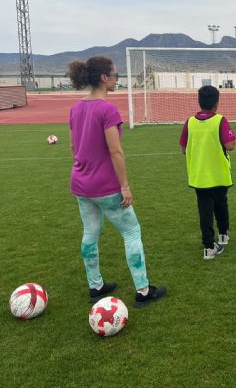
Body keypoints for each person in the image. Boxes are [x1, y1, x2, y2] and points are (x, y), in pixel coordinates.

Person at [68, 56, 166, 307]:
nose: (117, 79)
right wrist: (124, 185)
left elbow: (73, 146)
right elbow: (116, 151)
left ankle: (95, 285)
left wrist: (83, 169)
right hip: (106, 187)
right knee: (131, 232)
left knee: (90, 233)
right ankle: (143, 291)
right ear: (104, 77)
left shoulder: (76, 107)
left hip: (81, 184)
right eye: (115, 75)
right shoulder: (107, 110)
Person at [180, 85, 236, 259]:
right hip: (219, 174)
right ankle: (223, 235)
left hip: (199, 176)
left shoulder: (190, 122)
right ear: (216, 102)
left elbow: (183, 148)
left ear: (199, 101)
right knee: (221, 205)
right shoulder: (220, 120)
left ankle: (208, 247)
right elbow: (230, 145)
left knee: (204, 210)